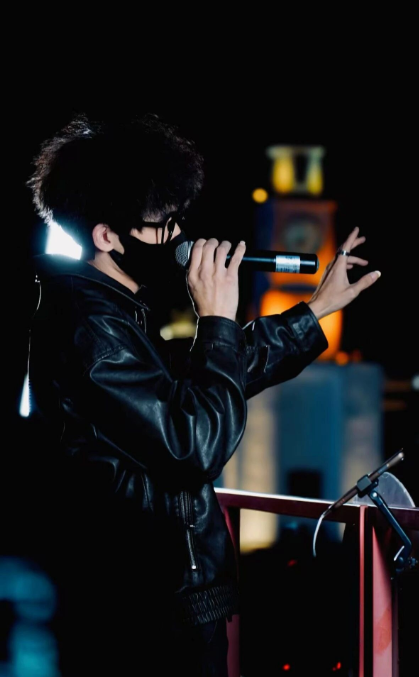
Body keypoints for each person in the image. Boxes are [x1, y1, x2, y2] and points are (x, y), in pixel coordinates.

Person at [27, 114, 380, 676]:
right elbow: (195, 444)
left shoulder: (114, 314)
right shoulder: (92, 332)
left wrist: (314, 313)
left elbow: (208, 381)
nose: (177, 236)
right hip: (142, 617)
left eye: (178, 219)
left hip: (158, 605)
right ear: (107, 235)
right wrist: (216, 318)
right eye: (161, 224)